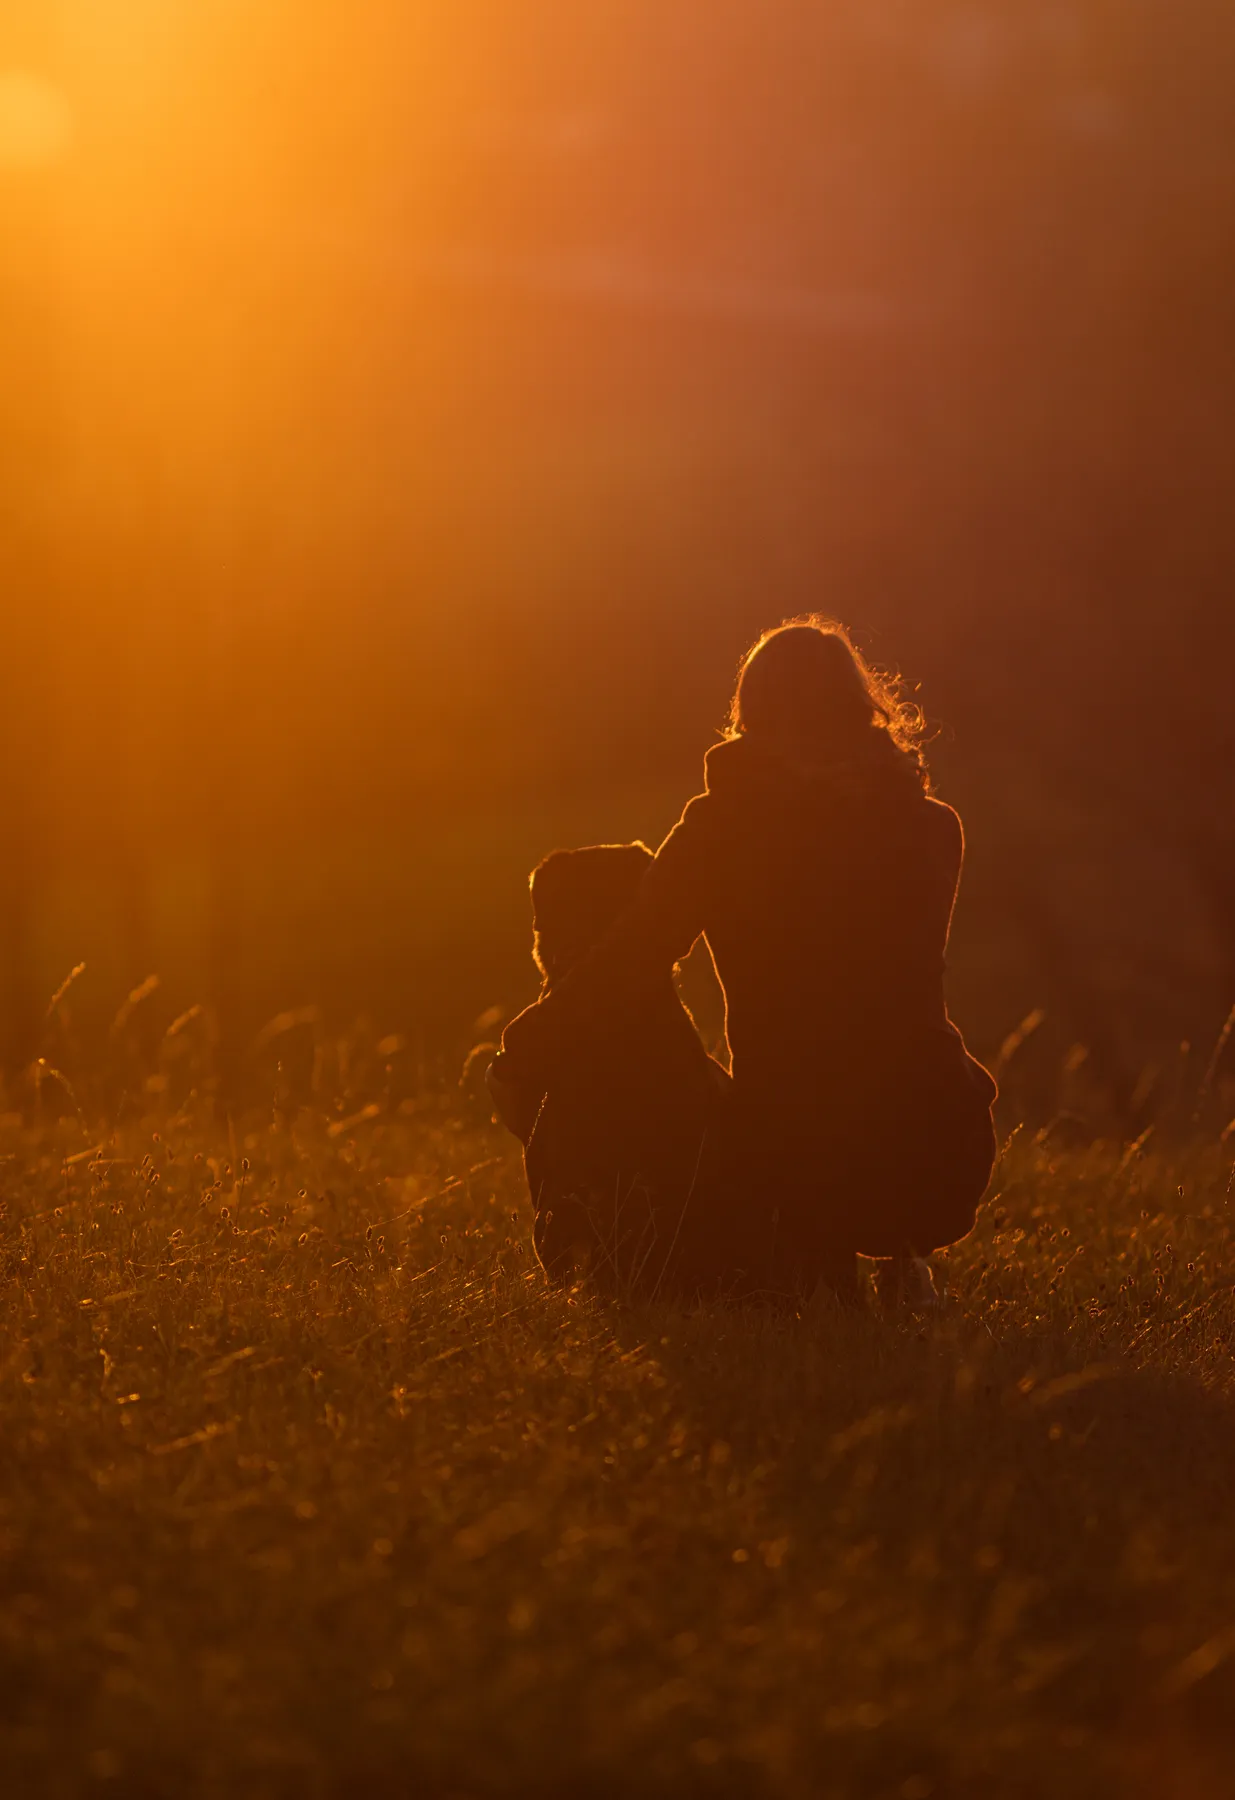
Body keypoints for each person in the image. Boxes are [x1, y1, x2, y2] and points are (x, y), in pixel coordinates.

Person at [494, 618, 997, 1302]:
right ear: (860, 708)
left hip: (793, 1145)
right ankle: (900, 1260)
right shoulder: (933, 826)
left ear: (750, 714)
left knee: (739, 1097)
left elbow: (632, 958)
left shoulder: (723, 827)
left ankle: (799, 1267)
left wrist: (528, 1042)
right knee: (875, 1069)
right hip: (940, 1135)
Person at [488, 843, 729, 1295]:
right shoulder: (673, 1037)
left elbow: (515, 1103)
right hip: (716, 1271)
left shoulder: (540, 1038)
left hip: (604, 1276)